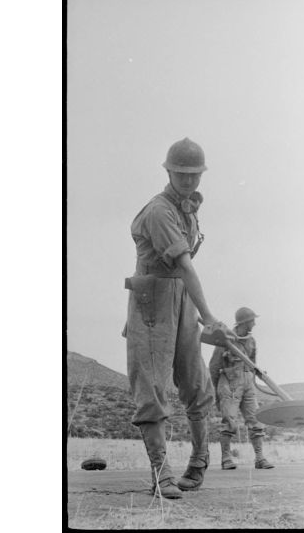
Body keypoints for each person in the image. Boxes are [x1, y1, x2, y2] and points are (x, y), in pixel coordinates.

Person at [123, 137, 221, 499]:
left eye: (195, 174)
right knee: (152, 387)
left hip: (181, 301)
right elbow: (185, 265)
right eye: (181, 173)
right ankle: (161, 473)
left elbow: (185, 273)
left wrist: (201, 315)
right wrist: (210, 316)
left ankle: (198, 463)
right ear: (168, 171)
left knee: (196, 383)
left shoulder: (188, 208)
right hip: (152, 302)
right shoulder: (160, 210)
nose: (189, 180)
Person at [209, 307, 274, 470]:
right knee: (229, 421)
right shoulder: (225, 338)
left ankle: (260, 458)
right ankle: (226, 459)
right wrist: (217, 390)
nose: (255, 323)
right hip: (229, 383)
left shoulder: (251, 341)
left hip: (248, 383)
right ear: (245, 322)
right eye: (253, 320)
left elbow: (252, 363)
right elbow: (214, 365)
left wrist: (256, 375)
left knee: (256, 420)